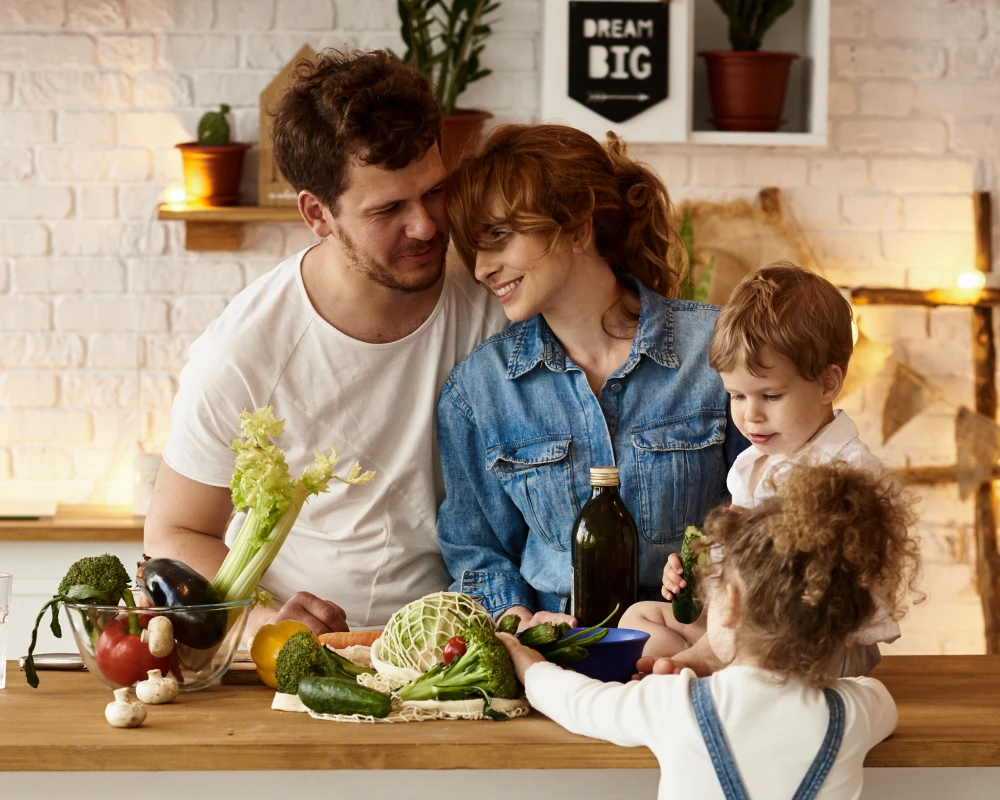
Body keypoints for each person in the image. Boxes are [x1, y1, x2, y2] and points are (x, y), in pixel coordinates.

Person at [144, 49, 506, 642]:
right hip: (306, 656)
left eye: (435, 192)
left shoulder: (496, 287)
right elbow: (175, 533)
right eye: (388, 209)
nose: (426, 226)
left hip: (471, 643)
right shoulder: (244, 351)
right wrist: (263, 620)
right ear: (317, 214)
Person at [436, 123, 747, 631]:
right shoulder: (477, 392)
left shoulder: (714, 350)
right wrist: (520, 627)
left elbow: (765, 508)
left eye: (499, 236)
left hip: (696, 654)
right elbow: (477, 551)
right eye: (476, 247)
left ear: (578, 226)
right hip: (554, 663)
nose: (481, 268)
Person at [500, 461, 921, 800]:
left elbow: (579, 703)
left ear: (732, 604)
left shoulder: (675, 703)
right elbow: (876, 697)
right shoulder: (853, 711)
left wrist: (527, 662)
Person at [621, 263, 897, 677]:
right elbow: (730, 575)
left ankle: (703, 671)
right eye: (736, 395)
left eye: (770, 395)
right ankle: (703, 671)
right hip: (742, 622)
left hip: (817, 640)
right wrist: (698, 569)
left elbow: (836, 594)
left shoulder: (848, 473)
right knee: (641, 619)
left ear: (826, 384)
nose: (751, 417)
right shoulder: (752, 462)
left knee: (749, 641)